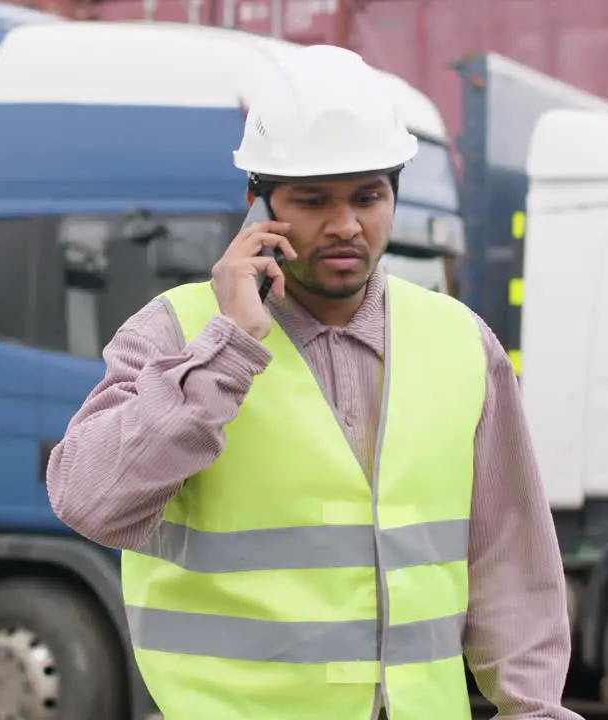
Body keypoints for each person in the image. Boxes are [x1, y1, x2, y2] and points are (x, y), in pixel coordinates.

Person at [46, 45, 579, 720]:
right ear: (257, 200)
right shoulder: (180, 333)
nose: (345, 225)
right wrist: (230, 348)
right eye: (312, 199)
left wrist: (535, 710)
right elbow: (88, 501)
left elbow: (511, 560)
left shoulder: (461, 343)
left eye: (368, 196)